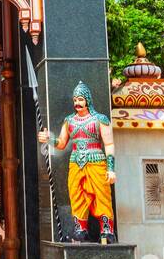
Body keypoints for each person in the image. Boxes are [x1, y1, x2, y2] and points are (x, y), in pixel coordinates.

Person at [37, 80, 116, 243]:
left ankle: (106, 230)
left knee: (101, 195)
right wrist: (48, 139)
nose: (77, 103)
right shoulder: (69, 121)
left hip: (96, 160)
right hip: (75, 162)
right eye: (75, 100)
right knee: (76, 194)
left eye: (80, 99)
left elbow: (109, 144)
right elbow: (61, 143)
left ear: (87, 99)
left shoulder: (100, 119)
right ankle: (80, 230)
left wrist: (111, 169)